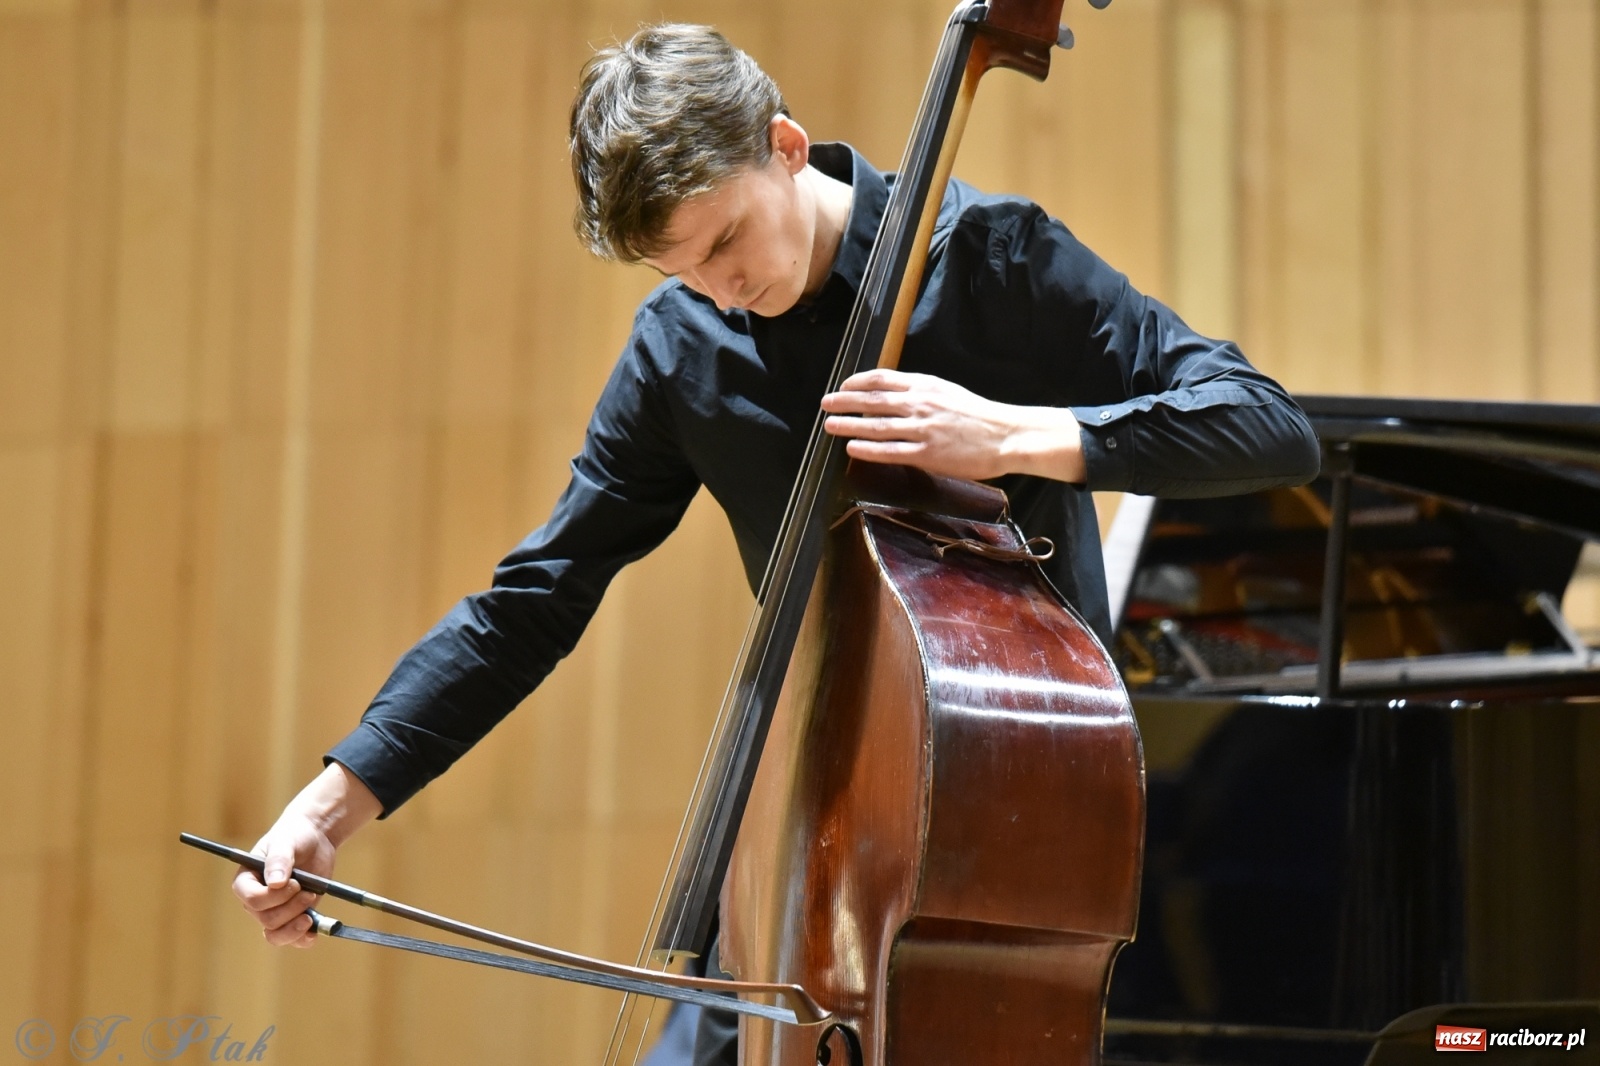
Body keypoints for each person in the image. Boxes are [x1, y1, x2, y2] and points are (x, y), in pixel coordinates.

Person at [232, 22, 1320, 1066]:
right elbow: (537, 596)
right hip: (799, 832)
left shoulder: (991, 263)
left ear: (785, 146)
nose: (719, 288)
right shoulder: (680, 350)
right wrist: (331, 807)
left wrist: (1019, 436)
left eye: (723, 241)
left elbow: (1268, 426)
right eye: (679, 270)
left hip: (1010, 827)